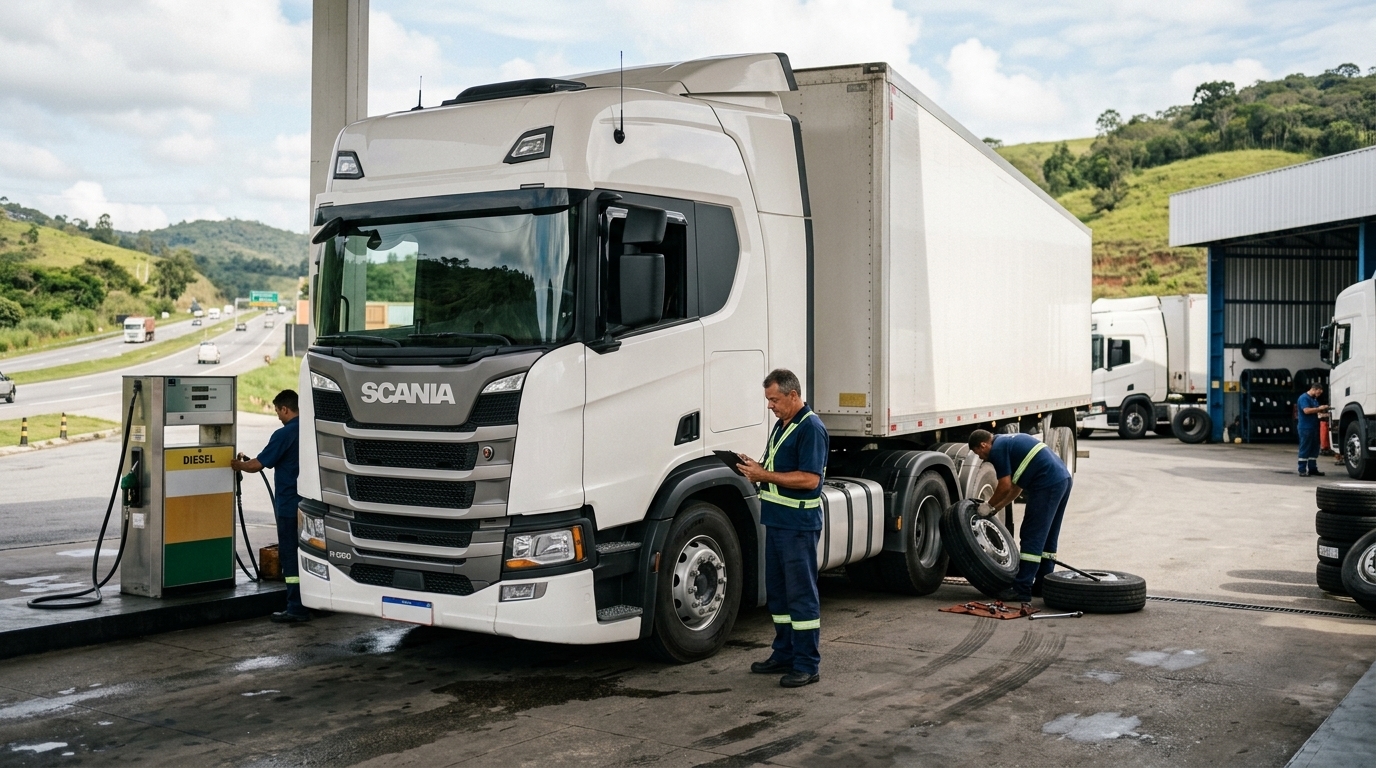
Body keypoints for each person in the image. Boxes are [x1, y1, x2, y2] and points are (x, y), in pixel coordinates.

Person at [737, 369, 829, 688]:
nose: (770, 406)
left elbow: (810, 479)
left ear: (793, 395)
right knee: (779, 595)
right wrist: (755, 467)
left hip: (798, 527)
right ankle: (784, 653)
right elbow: (776, 468)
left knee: (801, 595)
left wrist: (764, 476)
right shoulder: (783, 425)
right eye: (768, 400)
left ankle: (807, 664)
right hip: (777, 522)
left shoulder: (811, 428)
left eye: (774, 399)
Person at [968, 427, 1073, 606]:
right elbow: (1015, 488)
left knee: (1032, 535)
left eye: (978, 452)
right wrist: (995, 509)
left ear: (984, 444)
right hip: (1062, 479)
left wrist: (988, 506)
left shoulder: (998, 449)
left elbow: (1004, 485)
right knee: (1047, 538)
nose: (980, 457)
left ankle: (1022, 589)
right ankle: (1042, 585)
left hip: (1047, 482)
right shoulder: (1007, 443)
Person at [231, 390, 307, 623]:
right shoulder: (310, 429)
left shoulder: (284, 433)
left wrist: (236, 465)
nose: (277, 416)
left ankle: (295, 608)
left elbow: (256, 466)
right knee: (308, 554)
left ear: (285, 409)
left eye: (277, 411)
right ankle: (313, 601)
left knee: (290, 556)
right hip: (308, 506)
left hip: (288, 506)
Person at [1297, 383, 1329, 476]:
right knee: (1305, 448)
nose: (1319, 395)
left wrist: (1323, 413)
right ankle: (1302, 469)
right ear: (1314, 389)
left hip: (1314, 427)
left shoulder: (1314, 399)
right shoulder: (1304, 398)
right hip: (1306, 428)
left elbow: (1315, 411)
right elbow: (1306, 410)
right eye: (1318, 392)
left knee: (1314, 449)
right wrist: (1319, 408)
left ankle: (1312, 468)